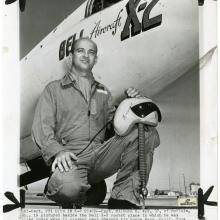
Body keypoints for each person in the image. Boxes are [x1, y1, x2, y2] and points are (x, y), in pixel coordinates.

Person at [32, 37, 160, 209]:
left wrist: (131, 104)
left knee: (144, 130)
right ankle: (60, 181)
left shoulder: (104, 92)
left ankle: (123, 196)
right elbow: (41, 127)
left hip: (101, 155)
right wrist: (58, 152)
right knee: (69, 189)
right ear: (70, 57)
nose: (86, 55)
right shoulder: (53, 89)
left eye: (91, 52)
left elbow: (117, 127)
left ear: (96, 59)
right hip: (71, 156)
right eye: (80, 51)